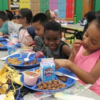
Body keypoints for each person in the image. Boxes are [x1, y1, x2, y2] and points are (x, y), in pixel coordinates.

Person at [54, 17, 100, 95]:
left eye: (93, 42)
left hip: (91, 93)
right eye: (86, 35)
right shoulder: (81, 47)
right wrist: (72, 55)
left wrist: (68, 63)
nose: (85, 41)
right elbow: (70, 70)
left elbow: (91, 79)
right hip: (75, 88)